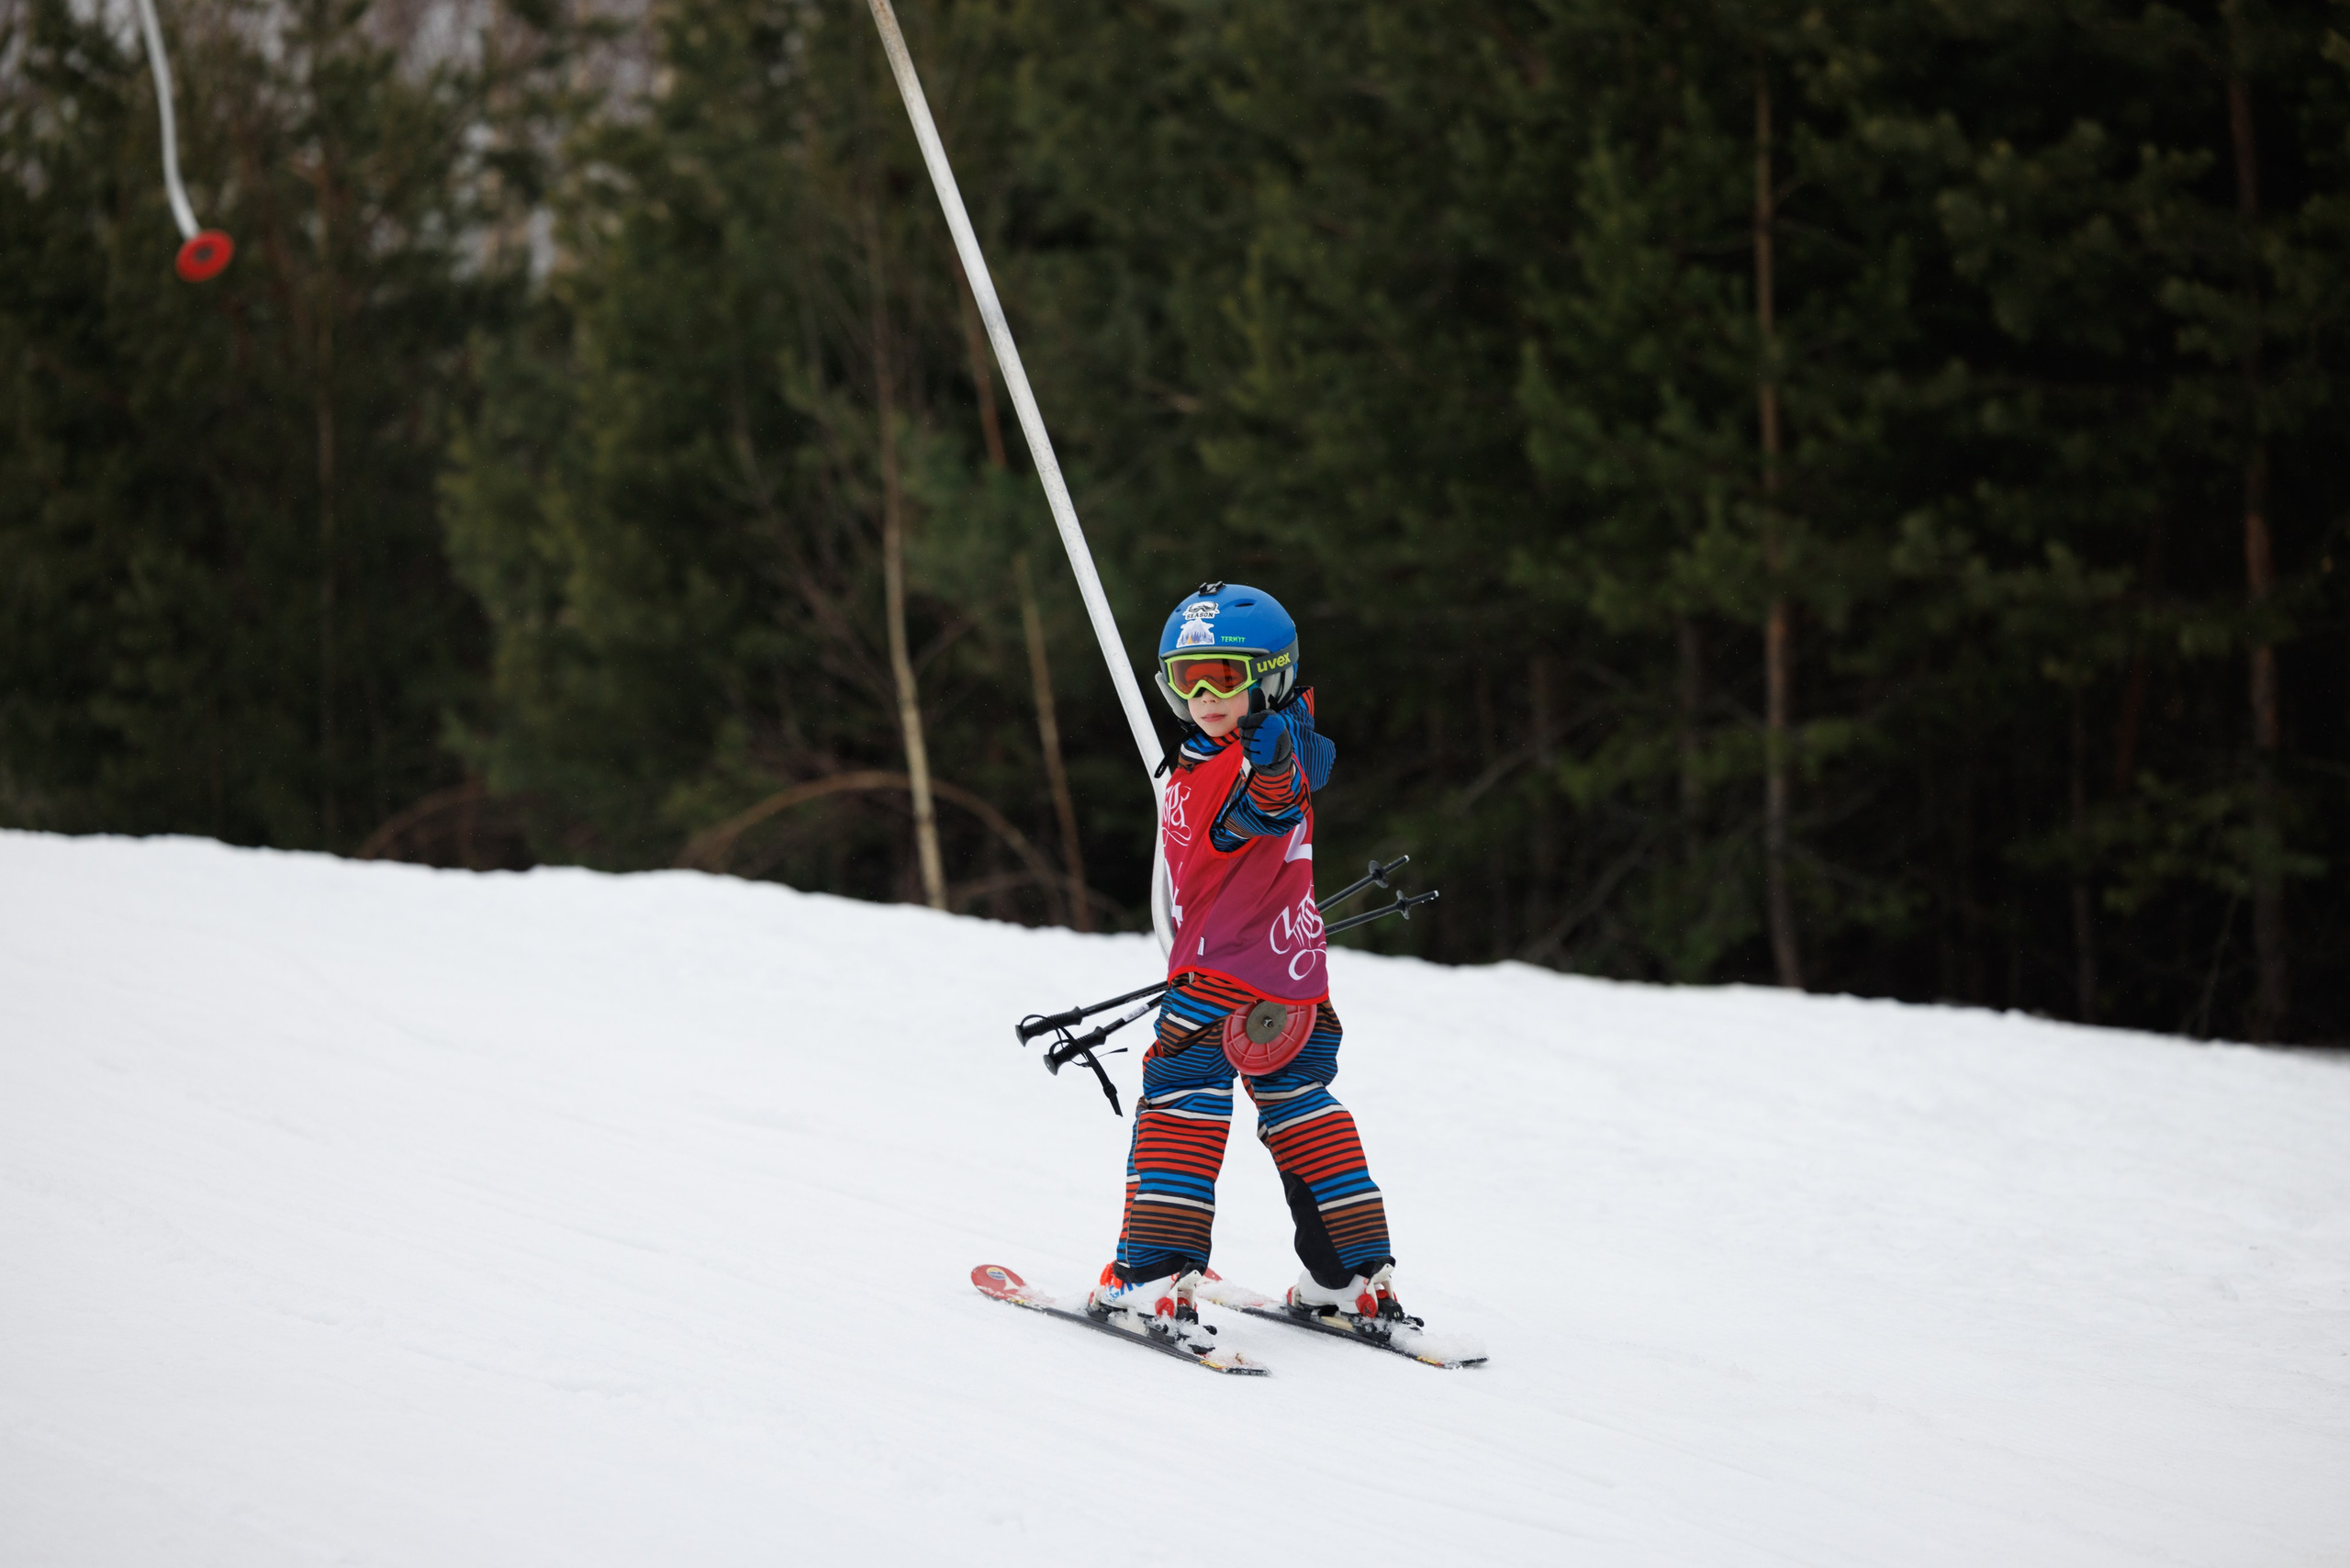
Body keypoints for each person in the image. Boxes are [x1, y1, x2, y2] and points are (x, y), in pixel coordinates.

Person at [1088, 581, 1405, 1330]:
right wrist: (1278, 760)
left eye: (1224, 677)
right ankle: (1351, 1275)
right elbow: (1291, 775)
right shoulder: (1274, 740)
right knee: (1302, 1107)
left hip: (1215, 981)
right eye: (1186, 679)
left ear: (1271, 675)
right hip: (1295, 984)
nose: (1204, 697)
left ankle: (1152, 1276)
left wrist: (1270, 770)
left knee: (1182, 1105)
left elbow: (1267, 803)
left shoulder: (1239, 767)